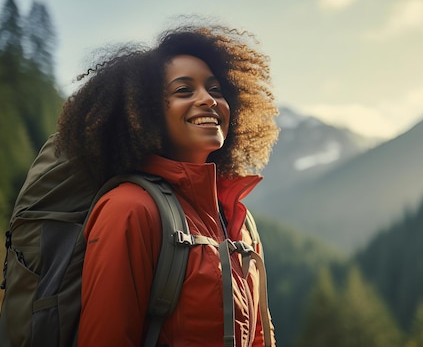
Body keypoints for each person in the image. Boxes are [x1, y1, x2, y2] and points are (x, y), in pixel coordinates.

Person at [56, 18, 279, 346]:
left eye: (215, 89)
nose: (207, 100)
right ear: (144, 114)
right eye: (183, 90)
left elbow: (259, 336)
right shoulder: (129, 208)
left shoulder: (239, 221)